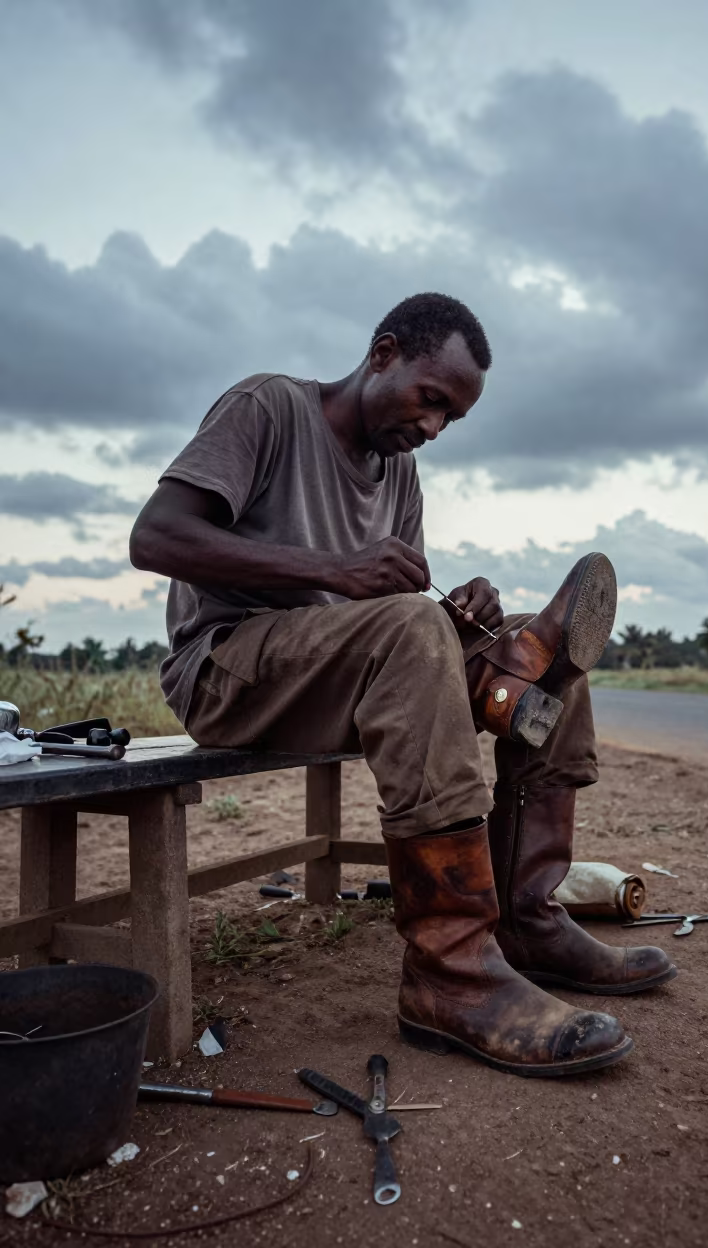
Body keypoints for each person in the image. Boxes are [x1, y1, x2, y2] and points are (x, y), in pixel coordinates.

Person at [131, 292, 676, 1079]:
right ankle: (448, 973)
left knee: (540, 652)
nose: (432, 428)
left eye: (450, 419)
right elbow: (155, 537)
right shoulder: (269, 406)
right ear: (383, 353)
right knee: (415, 630)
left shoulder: (400, 473)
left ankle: (525, 918)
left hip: (342, 674)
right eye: (431, 400)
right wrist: (340, 574)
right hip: (227, 671)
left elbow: (390, 618)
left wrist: (464, 622)